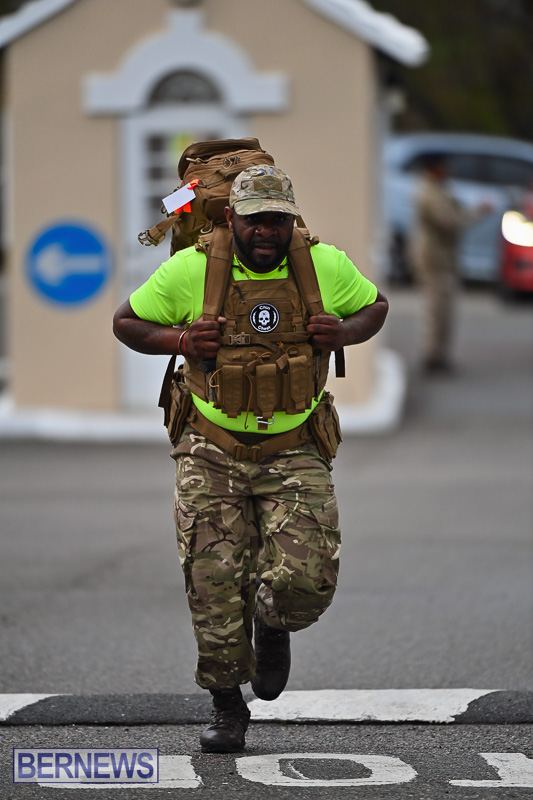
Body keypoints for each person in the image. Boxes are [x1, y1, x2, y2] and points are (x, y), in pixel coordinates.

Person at [113, 163, 388, 752]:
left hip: (295, 447)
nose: (266, 230)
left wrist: (342, 332)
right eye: (255, 218)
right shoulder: (192, 271)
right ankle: (227, 706)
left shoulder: (323, 267)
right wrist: (181, 340)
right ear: (231, 217)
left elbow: (376, 307)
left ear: (290, 219)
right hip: (211, 447)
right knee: (212, 582)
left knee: (306, 582)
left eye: (277, 219)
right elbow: (127, 323)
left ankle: (272, 619)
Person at [409, 153, 491, 374]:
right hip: (434, 259)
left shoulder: (438, 188)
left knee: (444, 309)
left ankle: (439, 355)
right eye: (444, 166)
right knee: (437, 308)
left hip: (441, 258)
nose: (448, 170)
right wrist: (478, 213)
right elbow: (450, 221)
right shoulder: (429, 192)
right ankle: (433, 356)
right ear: (434, 168)